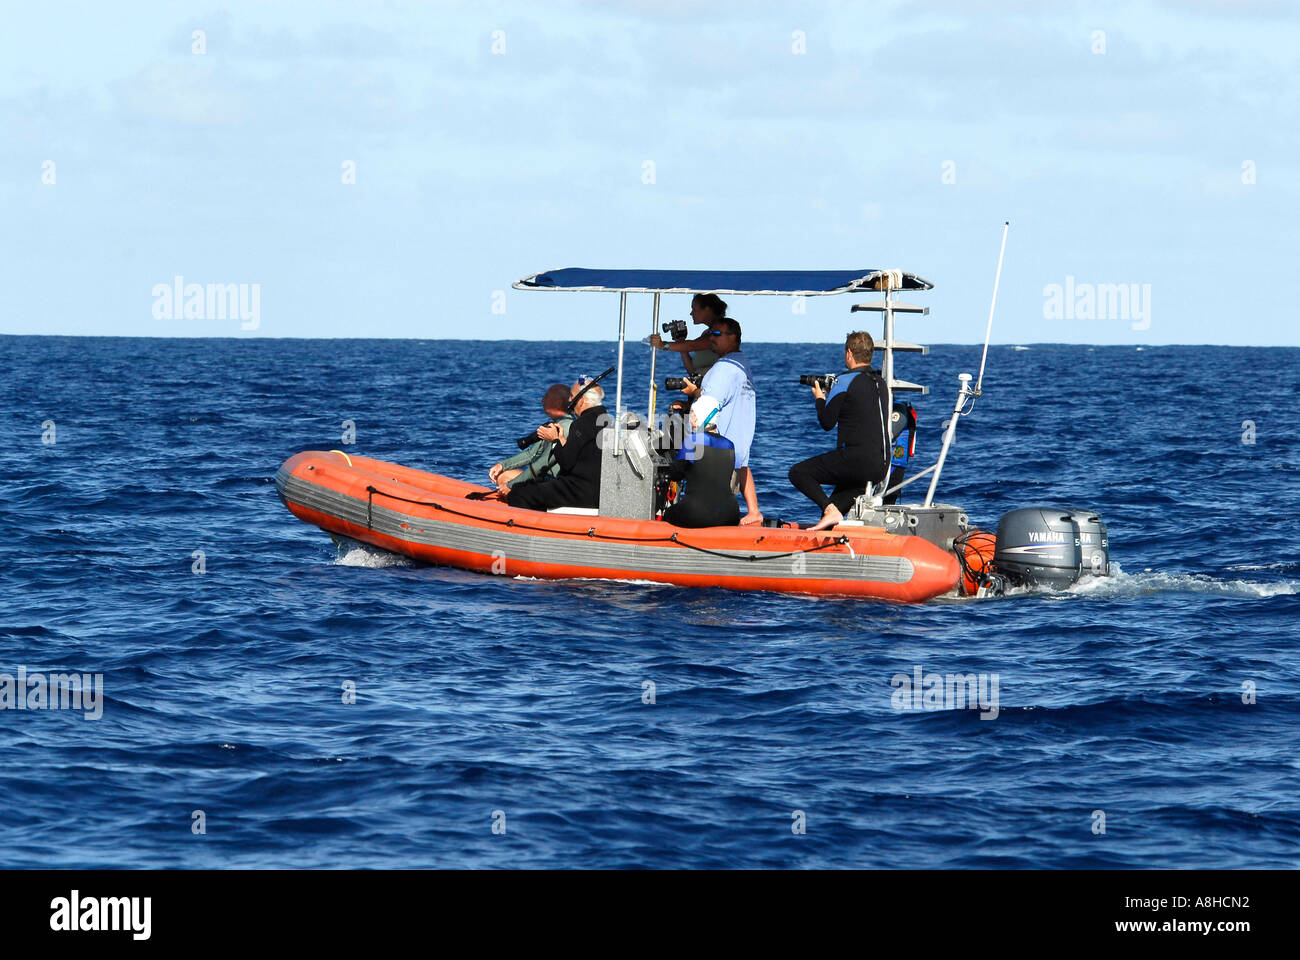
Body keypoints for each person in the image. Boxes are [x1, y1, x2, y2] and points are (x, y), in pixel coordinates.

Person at [788, 330, 891, 531]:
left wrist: (820, 399)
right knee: (831, 514)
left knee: (798, 473)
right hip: (880, 466)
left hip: (856, 462)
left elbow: (827, 422)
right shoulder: (881, 383)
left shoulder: (844, 381)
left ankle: (829, 509)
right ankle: (832, 522)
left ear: (849, 353)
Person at [679, 317, 762, 525]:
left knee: (717, 483)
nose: (711, 338)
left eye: (717, 334)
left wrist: (693, 395)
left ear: (733, 338)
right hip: (738, 442)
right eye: (710, 334)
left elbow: (708, 403)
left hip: (718, 448)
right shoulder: (741, 363)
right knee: (742, 463)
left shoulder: (724, 368)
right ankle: (754, 511)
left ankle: (716, 519)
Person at [505, 378, 607, 511]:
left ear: (581, 401)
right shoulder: (605, 420)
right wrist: (562, 440)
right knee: (532, 485)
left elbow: (567, 463)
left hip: (578, 491)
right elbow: (582, 455)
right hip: (597, 491)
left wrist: (554, 439)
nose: (569, 400)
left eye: (571, 396)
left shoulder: (582, 423)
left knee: (518, 494)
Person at [662, 395, 740, 528]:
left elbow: (675, 474)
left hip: (696, 514)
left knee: (668, 514)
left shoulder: (693, 440)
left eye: (692, 416)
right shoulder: (729, 445)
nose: (690, 421)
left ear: (698, 417)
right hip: (730, 514)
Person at [488, 384, 575, 495]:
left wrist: (511, 485)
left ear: (557, 402)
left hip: (553, 483)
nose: (542, 400)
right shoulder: (555, 424)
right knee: (503, 475)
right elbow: (531, 454)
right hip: (544, 479)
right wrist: (502, 465)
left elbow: (541, 464)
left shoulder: (565, 427)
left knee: (507, 480)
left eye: (546, 397)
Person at [647, 293, 727, 378]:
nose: (691, 313)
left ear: (707, 310)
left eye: (694, 309)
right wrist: (681, 343)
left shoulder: (720, 332)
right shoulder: (706, 333)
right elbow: (692, 373)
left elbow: (692, 345)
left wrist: (663, 345)